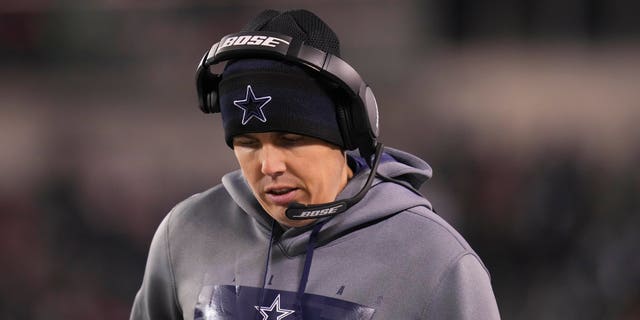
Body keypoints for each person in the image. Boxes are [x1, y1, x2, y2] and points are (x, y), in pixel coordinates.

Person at [130, 9, 500, 320]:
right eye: (247, 143)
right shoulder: (184, 234)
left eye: (291, 141)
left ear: (347, 132)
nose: (269, 165)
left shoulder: (437, 262)